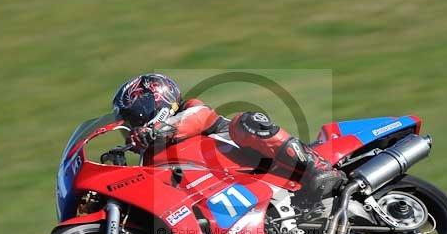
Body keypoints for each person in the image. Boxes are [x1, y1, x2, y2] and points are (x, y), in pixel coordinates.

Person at [111, 73, 345, 199]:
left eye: (135, 118)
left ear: (156, 102)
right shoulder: (153, 158)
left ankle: (317, 167)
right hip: (233, 198)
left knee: (244, 122)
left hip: (263, 168)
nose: (133, 126)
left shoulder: (191, 112)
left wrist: (156, 130)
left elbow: (198, 116)